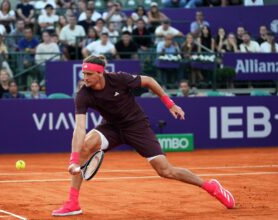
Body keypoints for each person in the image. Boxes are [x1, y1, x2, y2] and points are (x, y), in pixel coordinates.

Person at [52, 55, 235, 216]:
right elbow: (79, 128)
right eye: (83, 74)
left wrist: (169, 103)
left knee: (165, 171)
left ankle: (211, 186)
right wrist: (74, 160)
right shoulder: (83, 94)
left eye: (89, 74)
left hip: (136, 126)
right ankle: (73, 203)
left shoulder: (120, 79)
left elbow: (149, 81)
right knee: (86, 145)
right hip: (111, 128)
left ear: (100, 73)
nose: (85, 78)